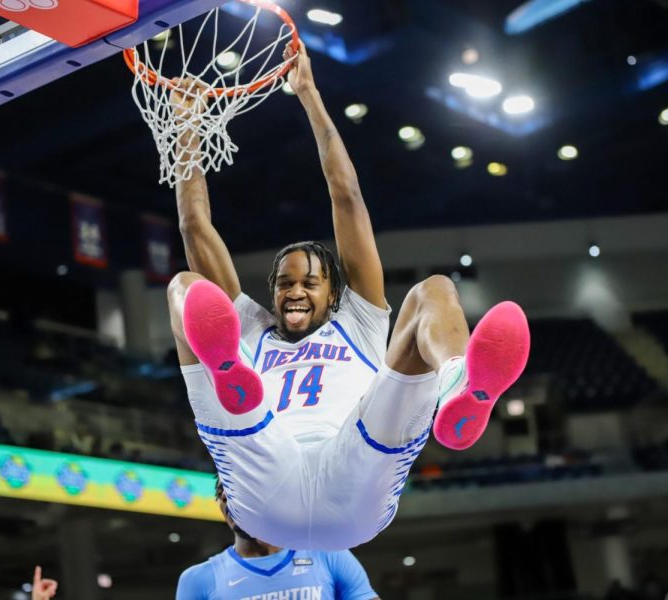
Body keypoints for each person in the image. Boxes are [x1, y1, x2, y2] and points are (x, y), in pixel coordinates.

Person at [166, 41, 530, 550]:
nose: (294, 291)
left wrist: (310, 96)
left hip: (354, 470)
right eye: (284, 283)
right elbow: (192, 224)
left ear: (335, 292)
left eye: (309, 282)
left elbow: (347, 195)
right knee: (186, 286)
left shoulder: (358, 318)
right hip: (266, 477)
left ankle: (457, 380)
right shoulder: (249, 327)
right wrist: (187, 129)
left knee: (433, 291)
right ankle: (226, 373)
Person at [177, 479, 379, 599]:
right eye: (222, 494)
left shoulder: (327, 555)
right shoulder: (197, 579)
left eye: (239, 491)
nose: (229, 501)